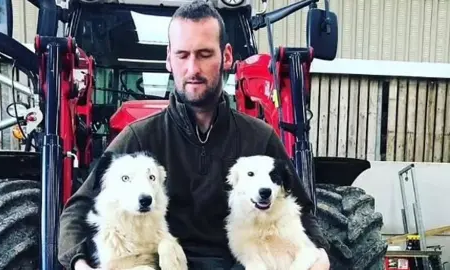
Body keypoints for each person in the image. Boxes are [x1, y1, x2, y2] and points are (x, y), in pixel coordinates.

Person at [58, 1, 331, 269]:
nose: (192, 69)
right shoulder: (139, 138)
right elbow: (78, 207)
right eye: (182, 55)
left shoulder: (259, 138)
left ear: (225, 56)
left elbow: (303, 211)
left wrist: (318, 253)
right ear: (169, 59)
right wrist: (80, 263)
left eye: (204, 54)